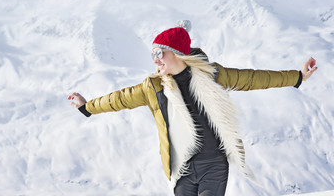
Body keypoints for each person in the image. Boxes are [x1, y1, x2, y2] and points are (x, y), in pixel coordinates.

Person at [68, 21, 317, 196]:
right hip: (182, 168)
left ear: (177, 54)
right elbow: (120, 99)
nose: (154, 59)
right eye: (152, 53)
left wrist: (297, 76)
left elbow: (253, 78)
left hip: (214, 164)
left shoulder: (212, 75)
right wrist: (87, 106)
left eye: (159, 52)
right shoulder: (153, 87)